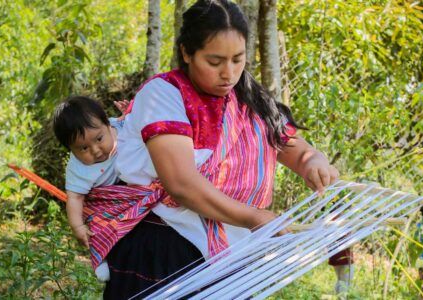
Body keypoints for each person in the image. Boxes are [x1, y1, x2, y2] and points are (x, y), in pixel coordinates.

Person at [83, 1, 339, 298]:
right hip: (165, 248)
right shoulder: (164, 95)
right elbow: (181, 184)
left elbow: (299, 152)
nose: (228, 74)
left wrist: (314, 163)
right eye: (215, 62)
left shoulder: (253, 102)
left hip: (228, 253)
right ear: (187, 53)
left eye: (237, 60)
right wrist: (254, 217)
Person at [52, 96, 128, 282]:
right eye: (84, 148)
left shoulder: (120, 126)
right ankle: (101, 257)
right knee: (97, 227)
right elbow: (75, 198)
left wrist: (130, 113)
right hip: (106, 202)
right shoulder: (78, 169)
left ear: (107, 125)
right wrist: (77, 226)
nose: (95, 150)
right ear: (71, 150)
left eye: (99, 139)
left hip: (133, 185)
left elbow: (141, 125)